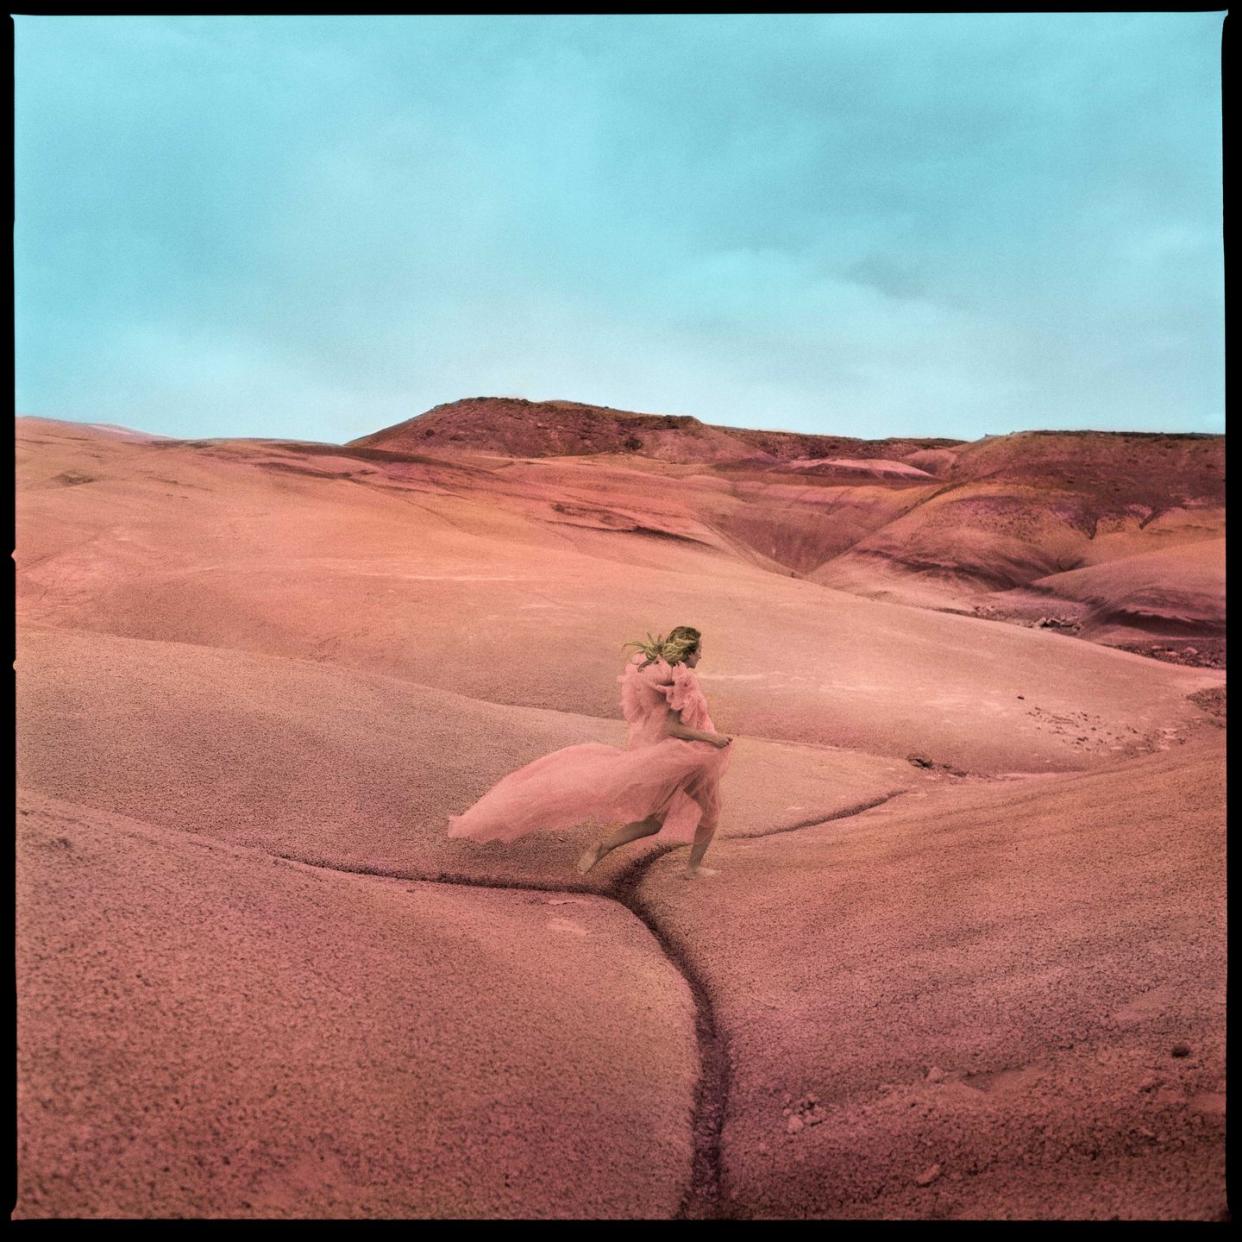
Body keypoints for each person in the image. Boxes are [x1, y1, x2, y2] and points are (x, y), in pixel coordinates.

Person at [445, 625, 733, 877]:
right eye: (698, 651)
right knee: (704, 812)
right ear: (686, 651)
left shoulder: (659, 673)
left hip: (677, 756)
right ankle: (693, 869)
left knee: (656, 821)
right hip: (687, 754)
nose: (701, 657)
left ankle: (603, 847)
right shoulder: (680, 681)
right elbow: (672, 727)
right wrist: (714, 739)